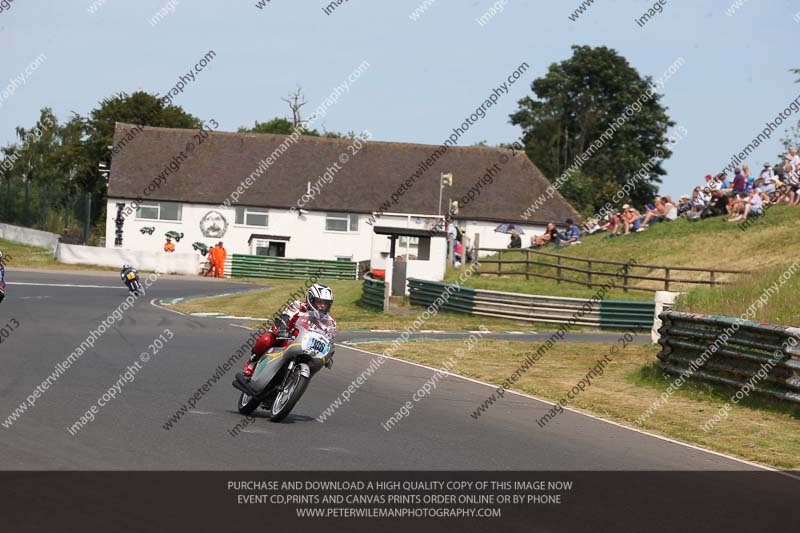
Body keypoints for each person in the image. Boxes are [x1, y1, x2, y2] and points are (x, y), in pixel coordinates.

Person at [243, 284, 336, 378]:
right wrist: (282, 328)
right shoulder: (298, 305)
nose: (323, 306)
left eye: (326, 303)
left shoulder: (330, 321)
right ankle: (253, 362)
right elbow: (284, 317)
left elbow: (330, 340)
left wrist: (329, 354)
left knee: (316, 363)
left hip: (308, 348)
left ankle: (296, 380)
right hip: (286, 338)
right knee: (266, 339)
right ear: (311, 299)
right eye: (319, 302)